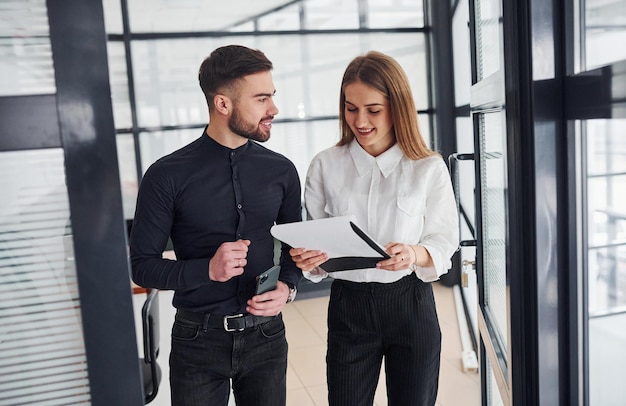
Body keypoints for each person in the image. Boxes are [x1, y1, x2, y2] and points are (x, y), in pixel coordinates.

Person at [129, 44, 302, 406]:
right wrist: (207, 269)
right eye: (261, 98)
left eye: (272, 96)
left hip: (267, 337)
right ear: (223, 104)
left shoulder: (282, 171)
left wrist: (288, 286)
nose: (273, 109)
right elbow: (143, 266)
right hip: (198, 341)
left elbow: (293, 247)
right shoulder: (166, 176)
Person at [289, 51, 459, 406]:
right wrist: (311, 261)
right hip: (349, 309)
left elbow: (444, 240)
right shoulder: (325, 165)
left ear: (398, 107)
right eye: (351, 108)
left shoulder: (427, 168)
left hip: (410, 305)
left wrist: (413, 253)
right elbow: (318, 246)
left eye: (373, 110)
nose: (360, 121)